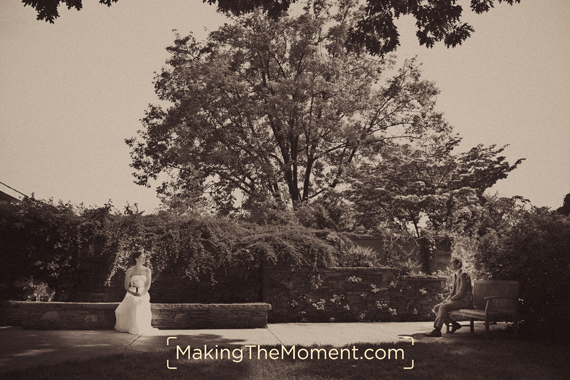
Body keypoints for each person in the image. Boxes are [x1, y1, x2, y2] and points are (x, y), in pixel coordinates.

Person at [424, 257, 472, 337]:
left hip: (463, 301)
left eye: (452, 263)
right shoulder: (455, 275)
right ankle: (454, 324)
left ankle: (437, 330)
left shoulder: (464, 275)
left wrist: (450, 300)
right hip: (456, 300)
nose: (450, 265)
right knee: (436, 308)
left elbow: (461, 292)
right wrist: (447, 300)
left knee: (443, 306)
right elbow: (452, 292)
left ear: (458, 264)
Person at [114, 250, 158, 335]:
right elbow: (126, 286)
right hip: (132, 291)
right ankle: (133, 326)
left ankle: (141, 326)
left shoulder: (147, 270)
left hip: (143, 291)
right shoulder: (130, 271)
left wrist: (142, 293)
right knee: (134, 300)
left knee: (141, 301)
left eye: (144, 257)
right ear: (136, 259)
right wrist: (133, 293)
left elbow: (147, 285)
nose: (144, 259)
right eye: (142, 257)